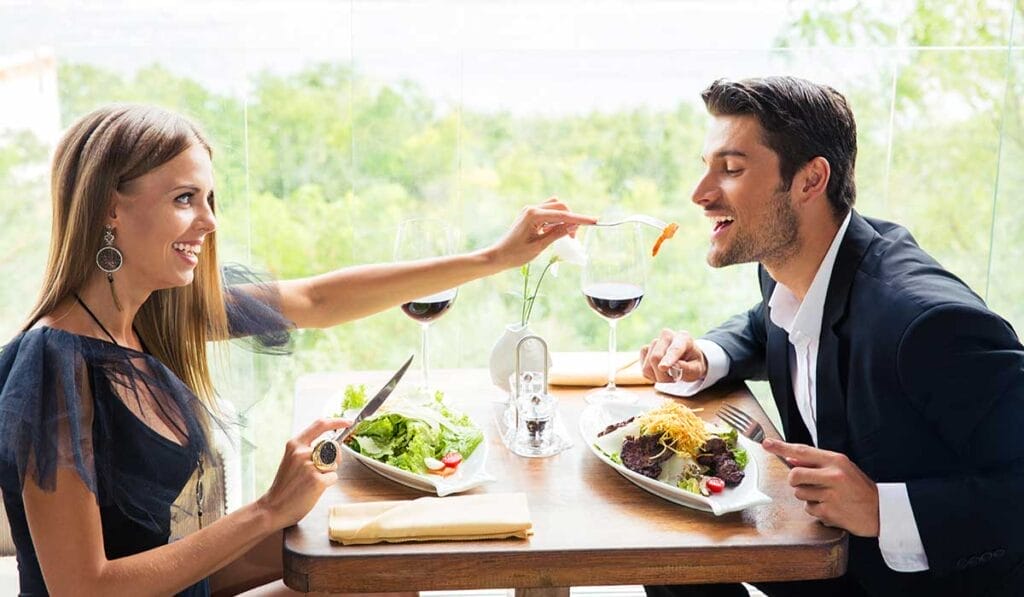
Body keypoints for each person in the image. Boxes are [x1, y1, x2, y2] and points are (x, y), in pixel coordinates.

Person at [0, 103, 596, 596]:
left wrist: (490, 259)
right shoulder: (56, 365)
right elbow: (83, 588)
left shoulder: (151, 313)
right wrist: (269, 510)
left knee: (388, 560)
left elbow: (315, 300)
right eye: (184, 199)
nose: (208, 224)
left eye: (211, 201)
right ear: (109, 207)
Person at [639, 77, 1024, 597]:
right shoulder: (789, 264)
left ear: (809, 180)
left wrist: (881, 509)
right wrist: (706, 356)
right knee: (667, 550)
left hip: (913, 582)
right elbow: (767, 320)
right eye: (705, 166)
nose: (700, 194)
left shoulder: (929, 325)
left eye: (731, 169)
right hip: (825, 560)